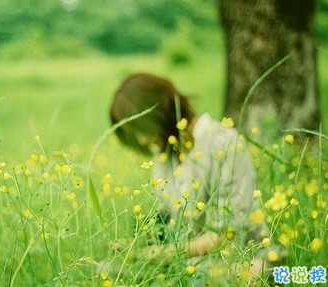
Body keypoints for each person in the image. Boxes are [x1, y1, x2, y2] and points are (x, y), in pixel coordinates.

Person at [109, 73, 269, 285]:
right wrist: (134, 246)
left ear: (159, 115)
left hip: (237, 258)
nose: (142, 140)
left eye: (141, 130)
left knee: (211, 278)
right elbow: (165, 223)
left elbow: (227, 235)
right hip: (187, 260)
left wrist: (159, 254)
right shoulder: (164, 154)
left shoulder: (223, 142)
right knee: (108, 270)